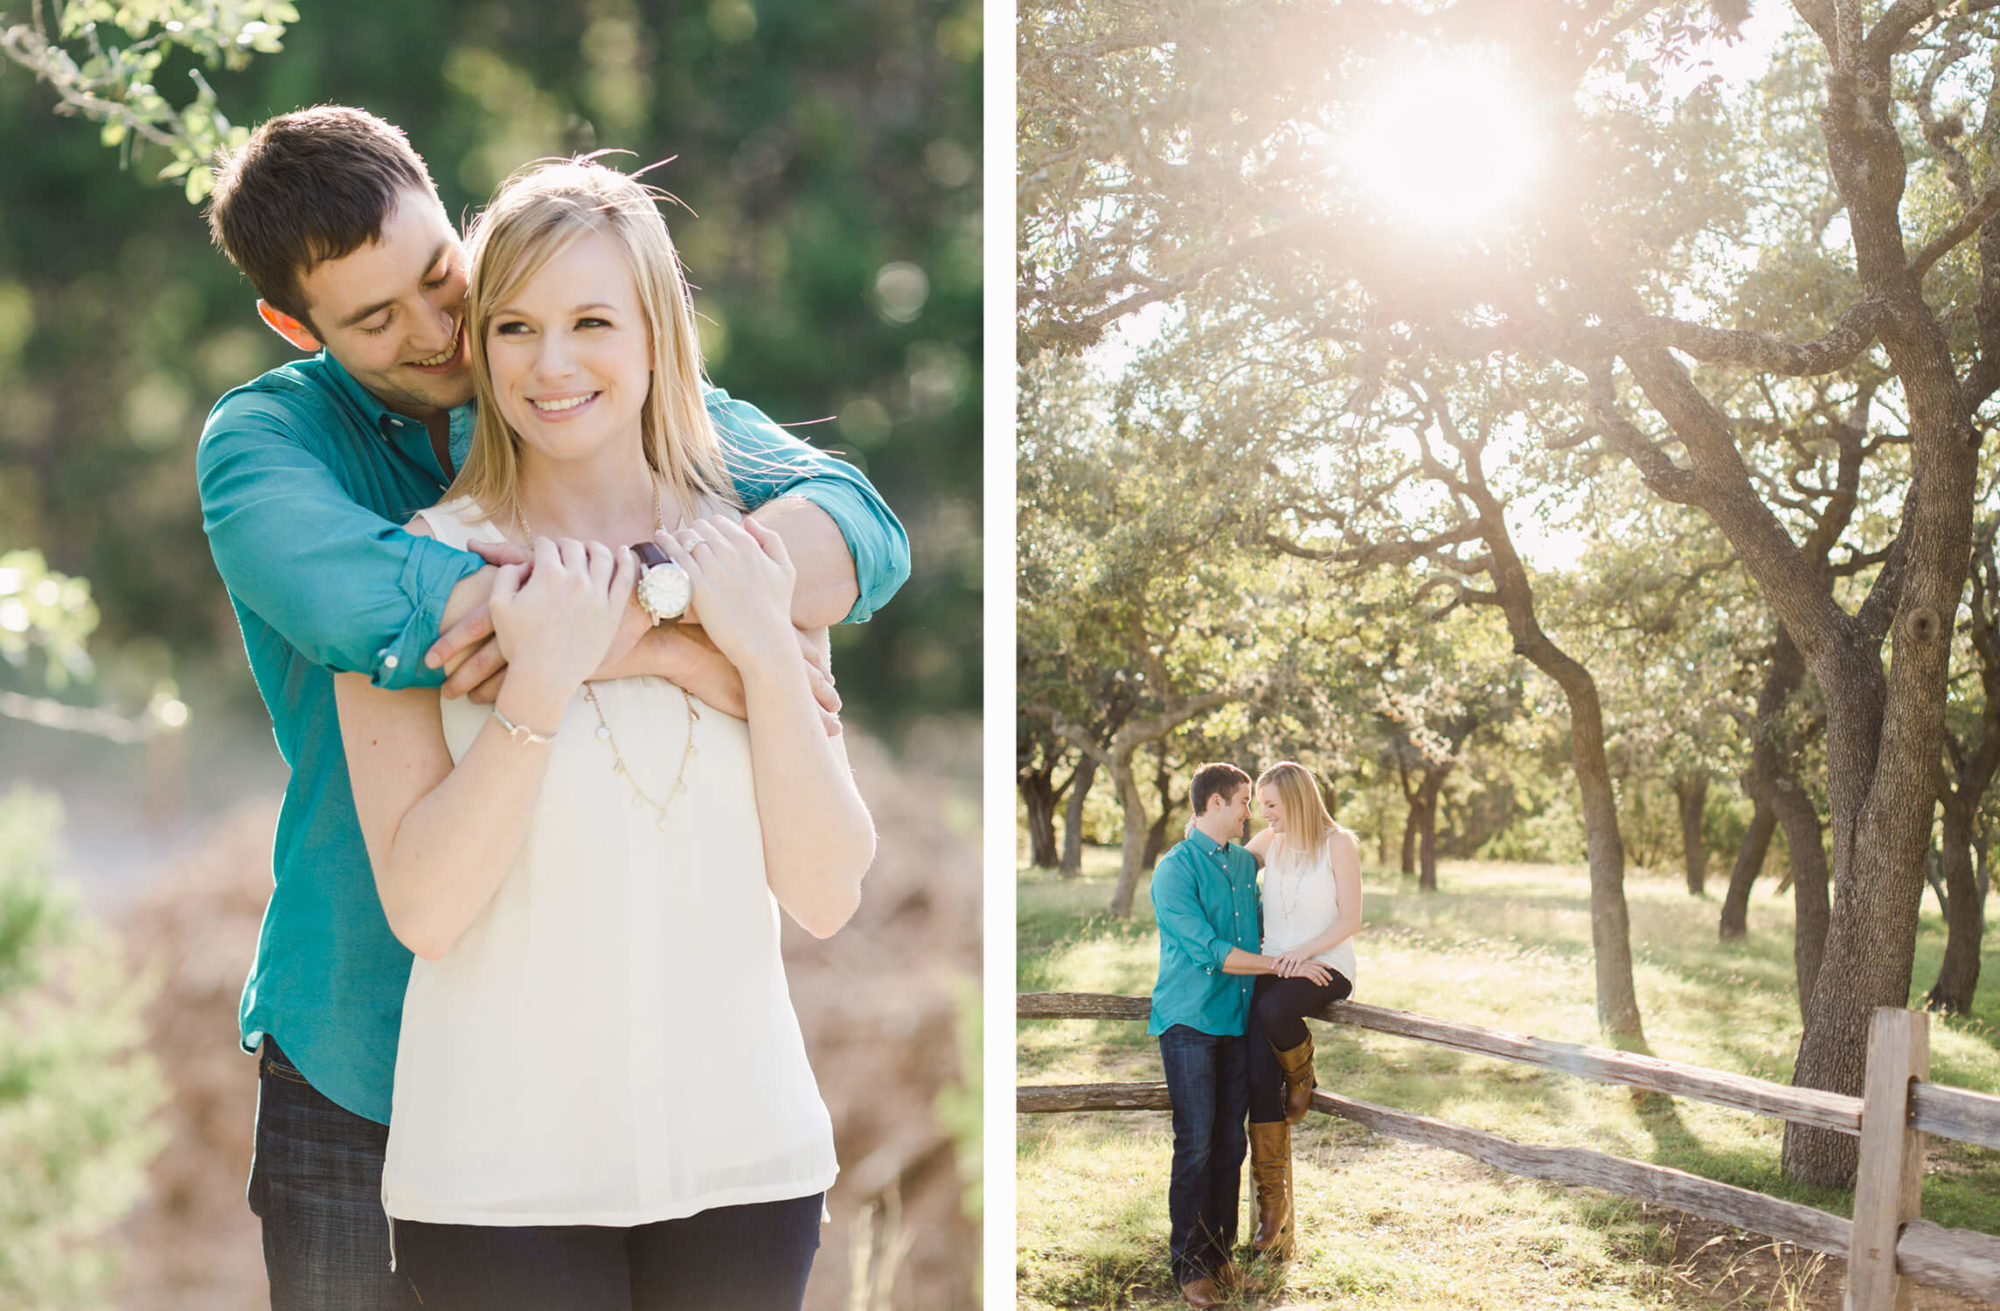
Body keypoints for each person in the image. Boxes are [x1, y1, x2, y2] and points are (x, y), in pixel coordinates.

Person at [196, 106, 907, 1309]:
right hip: (367, 1037)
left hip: (677, 1109)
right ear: (293, 323)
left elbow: (854, 530)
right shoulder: (265, 448)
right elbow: (388, 611)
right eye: (377, 320)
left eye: (443, 283)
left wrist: (673, 615)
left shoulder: (564, 363)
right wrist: (695, 638)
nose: (444, 336)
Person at [1148, 762, 1334, 1309]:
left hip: (1235, 1020)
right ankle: (1189, 1268)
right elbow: (1212, 951)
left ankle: (1220, 1257)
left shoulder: (1240, 863)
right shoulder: (1174, 870)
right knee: (1197, 1144)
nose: (1250, 810)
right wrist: (1285, 967)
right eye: (1243, 801)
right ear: (1214, 805)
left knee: (1230, 1144)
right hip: (1189, 1021)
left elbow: (1288, 845)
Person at [1241, 761, 1362, 1263]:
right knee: (1254, 1062)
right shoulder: (1270, 843)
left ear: (1297, 799)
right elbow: (1222, 865)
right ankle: (1273, 1208)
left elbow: (1351, 919)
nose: (1262, 813)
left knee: (1273, 1010)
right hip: (1276, 963)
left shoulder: (1340, 843)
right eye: (1260, 805)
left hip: (1323, 964)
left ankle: (1302, 1071)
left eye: (1270, 804)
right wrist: (1195, 832)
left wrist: (1305, 955)